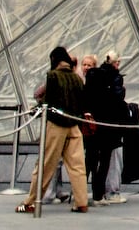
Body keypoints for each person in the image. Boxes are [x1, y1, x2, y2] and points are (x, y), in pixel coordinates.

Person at [17, 47, 89, 214]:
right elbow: (81, 102)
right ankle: (81, 202)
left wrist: (36, 109)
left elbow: (48, 101)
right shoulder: (77, 79)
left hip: (57, 126)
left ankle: (32, 201)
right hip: (74, 125)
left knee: (45, 164)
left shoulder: (53, 76)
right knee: (77, 166)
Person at [83, 50, 127, 205]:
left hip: (94, 124)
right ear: (115, 62)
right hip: (109, 125)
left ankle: (80, 194)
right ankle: (98, 195)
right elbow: (118, 98)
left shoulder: (94, 75)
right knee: (105, 161)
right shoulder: (114, 77)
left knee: (90, 160)